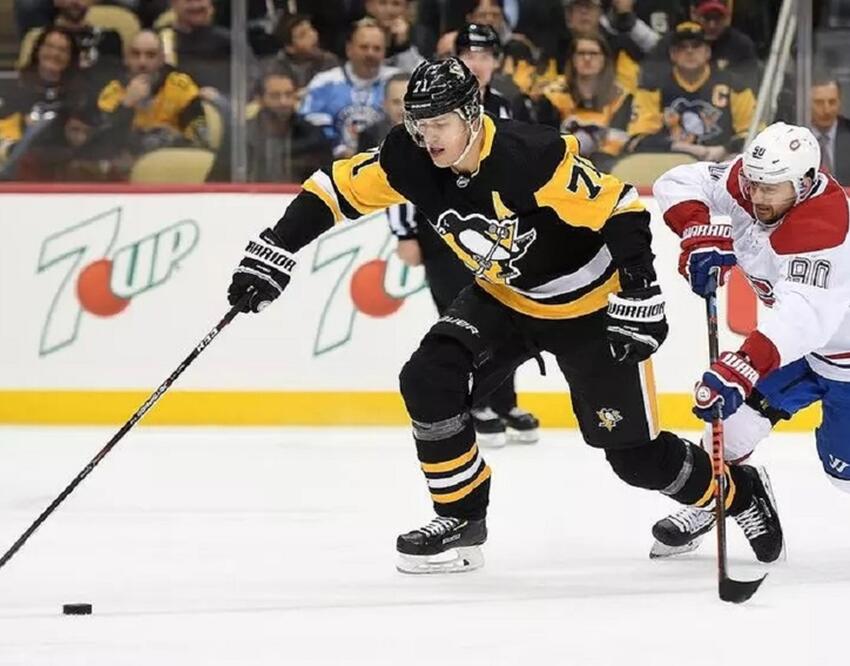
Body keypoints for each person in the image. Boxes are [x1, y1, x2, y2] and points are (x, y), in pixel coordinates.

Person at [225, 56, 783, 574]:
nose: (427, 136)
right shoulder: (407, 156)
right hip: (504, 297)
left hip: (588, 305)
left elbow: (619, 206)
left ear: (472, 115)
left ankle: (740, 493)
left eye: (439, 123)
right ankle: (461, 518)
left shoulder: (530, 155)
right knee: (428, 378)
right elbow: (333, 190)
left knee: (636, 460)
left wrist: (639, 287)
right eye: (418, 123)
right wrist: (276, 248)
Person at [649, 122, 847, 560]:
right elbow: (677, 181)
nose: (756, 196)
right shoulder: (750, 184)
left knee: (843, 474)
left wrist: (744, 365)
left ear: (805, 183)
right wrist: (695, 231)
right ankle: (717, 500)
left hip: (839, 359)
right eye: (754, 184)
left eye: (770, 189)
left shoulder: (826, 228)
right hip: (797, 352)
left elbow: (804, 318)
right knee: (728, 430)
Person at [626, 22, 756, 161]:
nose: (689, 51)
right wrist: (684, 148)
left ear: (707, 52)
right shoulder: (652, 86)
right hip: (668, 163)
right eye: (682, 47)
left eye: (696, 46)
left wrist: (725, 149)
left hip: (721, 162)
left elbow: (755, 132)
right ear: (673, 54)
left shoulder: (735, 85)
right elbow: (638, 140)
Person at [299, 18, 399, 158]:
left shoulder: (398, 82)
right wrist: (338, 148)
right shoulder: (324, 82)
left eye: (377, 48)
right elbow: (310, 122)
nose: (370, 53)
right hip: (332, 162)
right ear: (349, 49)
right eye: (364, 47)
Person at [97, 30, 208, 156]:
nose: (142, 62)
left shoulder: (180, 86)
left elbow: (201, 139)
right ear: (126, 59)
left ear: (161, 59)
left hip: (173, 158)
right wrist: (127, 104)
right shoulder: (112, 92)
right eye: (135, 54)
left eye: (151, 55)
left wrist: (171, 137)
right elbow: (102, 145)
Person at [538, 31, 632, 171]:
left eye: (594, 53)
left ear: (605, 59)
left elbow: (616, 143)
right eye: (581, 53)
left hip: (607, 169)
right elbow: (545, 142)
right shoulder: (552, 94)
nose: (587, 58)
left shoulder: (621, 97)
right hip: (560, 167)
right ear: (572, 59)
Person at [247, 68, 332, 182]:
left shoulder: (314, 137)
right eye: (275, 96)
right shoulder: (243, 136)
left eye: (289, 95)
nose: (284, 102)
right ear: (259, 99)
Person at [265, 14, 340, 91]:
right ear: (290, 48)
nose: (312, 35)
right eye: (302, 35)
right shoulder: (276, 69)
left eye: (311, 29)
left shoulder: (329, 60)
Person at [810, 77, 850, 185]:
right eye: (819, 102)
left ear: (839, 103)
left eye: (832, 102)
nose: (826, 110)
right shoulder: (793, 137)